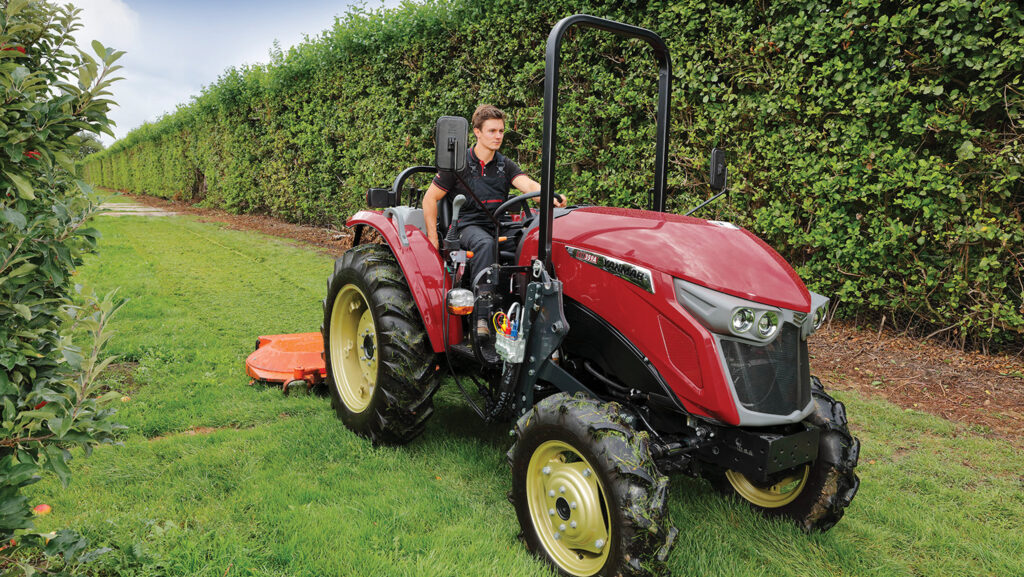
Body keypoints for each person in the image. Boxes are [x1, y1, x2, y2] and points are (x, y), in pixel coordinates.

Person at [422, 104, 566, 339]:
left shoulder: (504, 165)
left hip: (499, 224)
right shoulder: (457, 165)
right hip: (467, 226)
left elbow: (528, 186)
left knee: (530, 241)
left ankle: (532, 310)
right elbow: (430, 199)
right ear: (477, 132)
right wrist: (432, 238)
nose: (498, 136)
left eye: (501, 131)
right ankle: (482, 316)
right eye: (492, 131)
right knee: (485, 244)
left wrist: (550, 195)